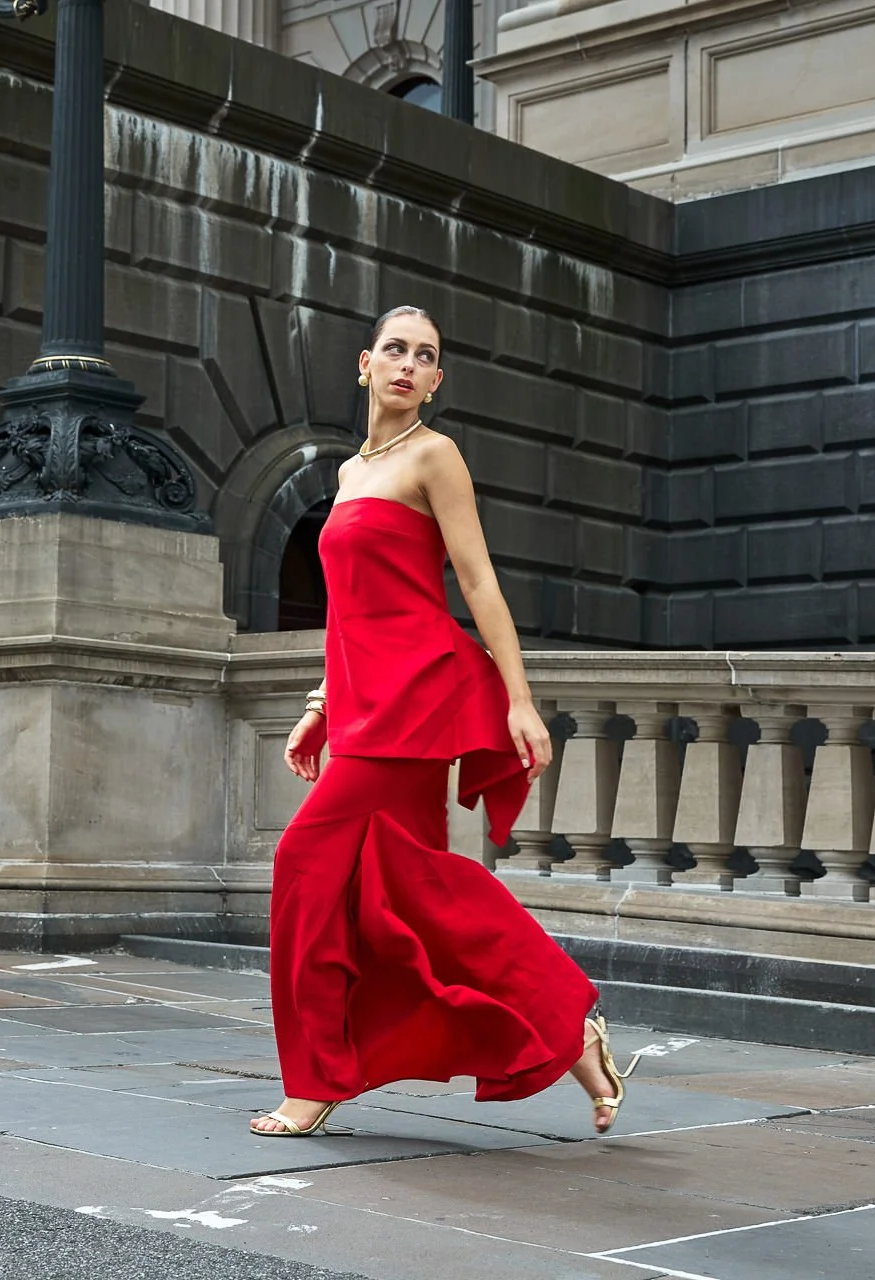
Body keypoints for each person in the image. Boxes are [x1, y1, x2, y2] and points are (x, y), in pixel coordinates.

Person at [251, 305, 641, 1139]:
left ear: (435, 381)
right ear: (364, 364)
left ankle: (316, 1078)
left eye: (424, 356)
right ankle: (572, 1032)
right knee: (418, 894)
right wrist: (320, 706)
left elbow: (478, 582)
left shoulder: (435, 456)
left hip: (420, 695)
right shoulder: (352, 474)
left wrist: (520, 699)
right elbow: (354, 611)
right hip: (364, 702)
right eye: (394, 350)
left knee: (303, 863)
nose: (407, 365)